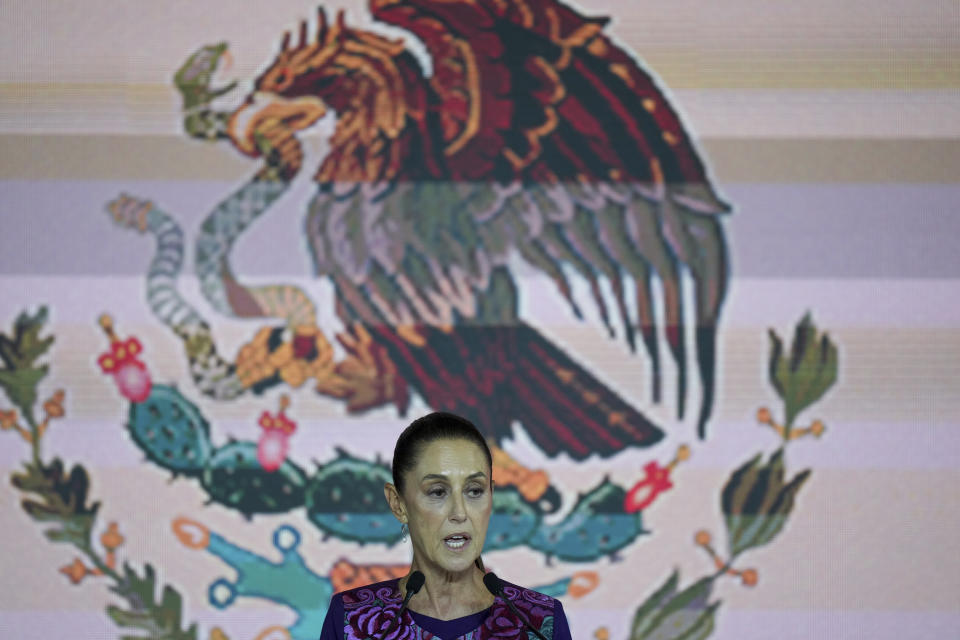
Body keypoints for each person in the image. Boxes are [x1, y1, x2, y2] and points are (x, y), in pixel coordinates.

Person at [318, 411, 572, 640]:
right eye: (438, 492)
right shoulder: (351, 621)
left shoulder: (540, 622)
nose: (460, 513)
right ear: (398, 504)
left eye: (474, 491)